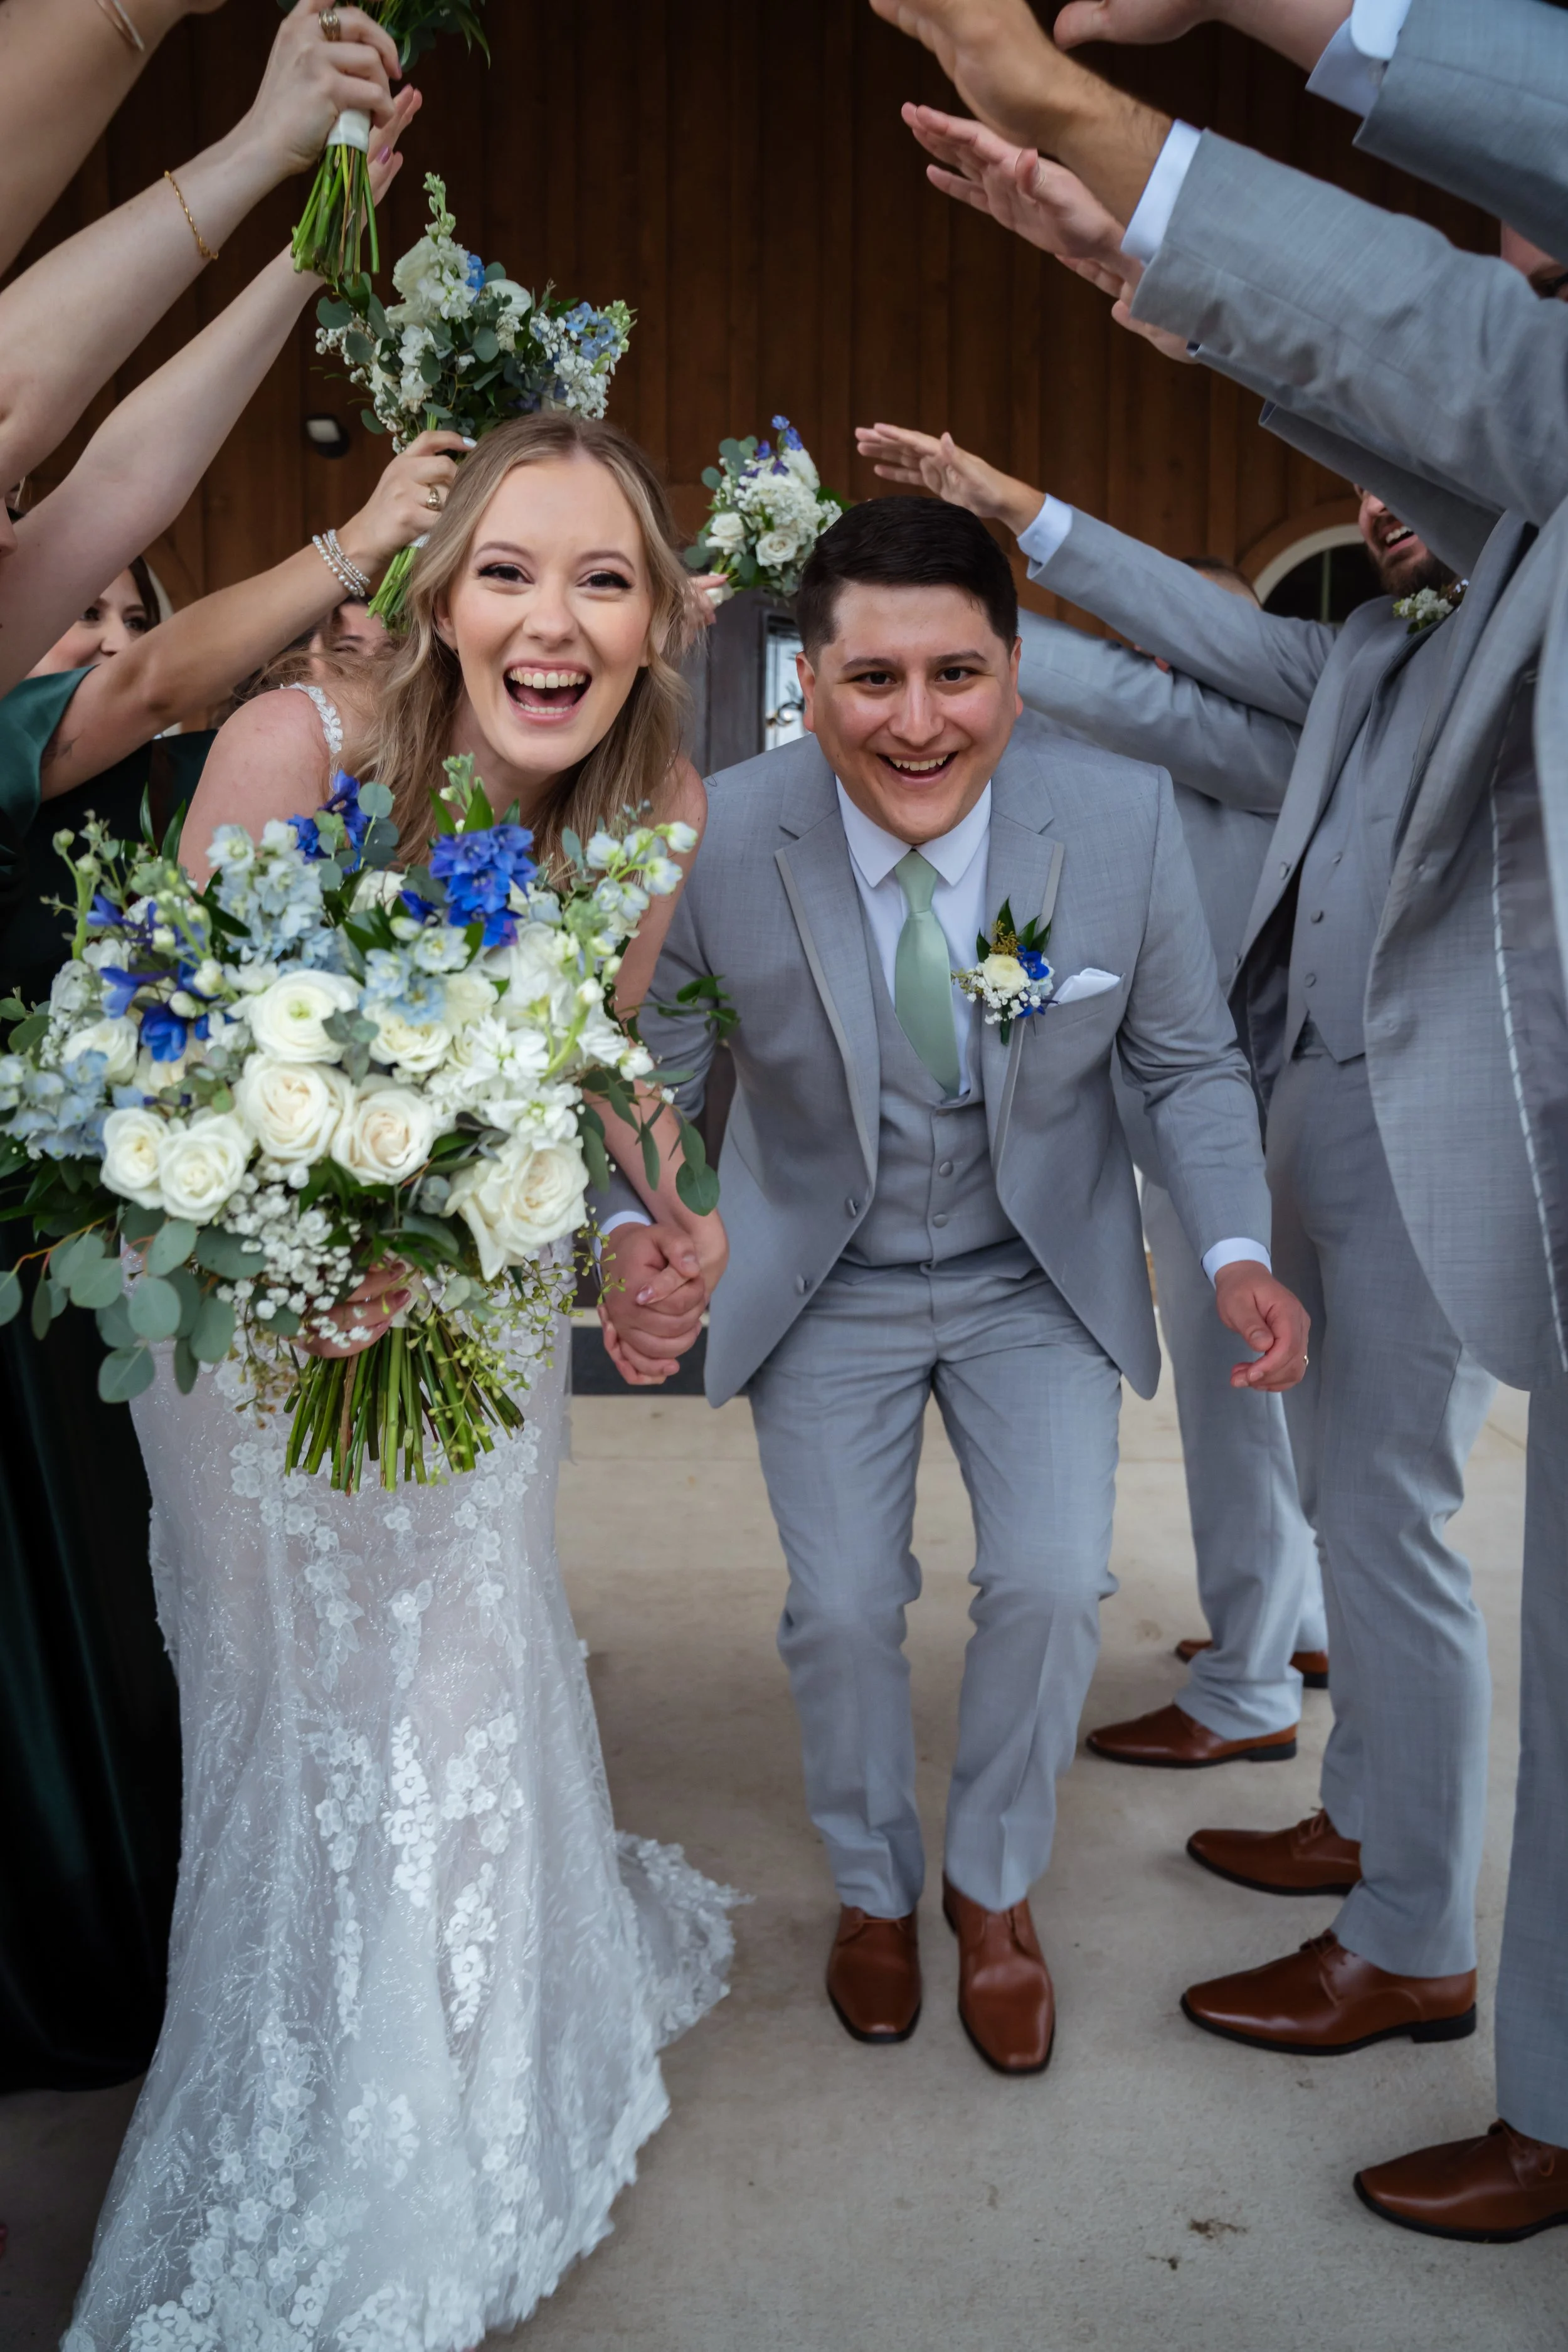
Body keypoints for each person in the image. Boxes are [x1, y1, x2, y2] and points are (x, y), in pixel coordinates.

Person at [872, 0, 1568, 2237]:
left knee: (1396, 1529)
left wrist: (1128, 225)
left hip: (1424, 1111)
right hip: (1332, 1106)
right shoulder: (1375, 649)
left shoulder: (1493, 583)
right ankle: (1386, 1855)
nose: (1385, 494)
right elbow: (1169, 659)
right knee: (1376, 1520)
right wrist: (999, 549)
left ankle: (1412, 1932)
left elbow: (1451, 395)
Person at [64, 413, 736, 2352]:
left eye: (600, 577)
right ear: (436, 601)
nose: (551, 616)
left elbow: (593, 1066)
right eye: (509, 569)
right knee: (305, 1707)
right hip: (246, 1337)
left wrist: (639, 1225)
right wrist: (304, 1244)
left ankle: (454, 2105)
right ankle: (302, 2073)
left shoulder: (649, 806)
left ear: (656, 621)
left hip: (470, 1302)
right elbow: (141, 1078)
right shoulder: (297, 748)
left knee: (459, 1664)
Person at [597, 495, 1308, 2075]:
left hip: (1033, 1271)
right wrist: (637, 1234)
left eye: (958, 675)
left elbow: (1186, 1062)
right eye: (871, 681)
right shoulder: (717, 833)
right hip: (821, 1275)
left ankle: (992, 1894)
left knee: (1054, 1587)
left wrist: (1235, 1250)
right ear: (811, 680)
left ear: (1013, 670)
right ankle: (870, 1889)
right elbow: (650, 1069)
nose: (917, 725)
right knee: (842, 1610)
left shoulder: (1118, 820)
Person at [855, 421, 1327, 1761]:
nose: (1174, 677)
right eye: (1161, 652)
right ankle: (1282, 1630)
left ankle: (1247, 1684)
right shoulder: (1106, 768)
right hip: (1109, 1110)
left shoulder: (1276, 755)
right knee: (1254, 1407)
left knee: (1251, 1412)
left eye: (1205, 647)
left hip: (1233, 1115)